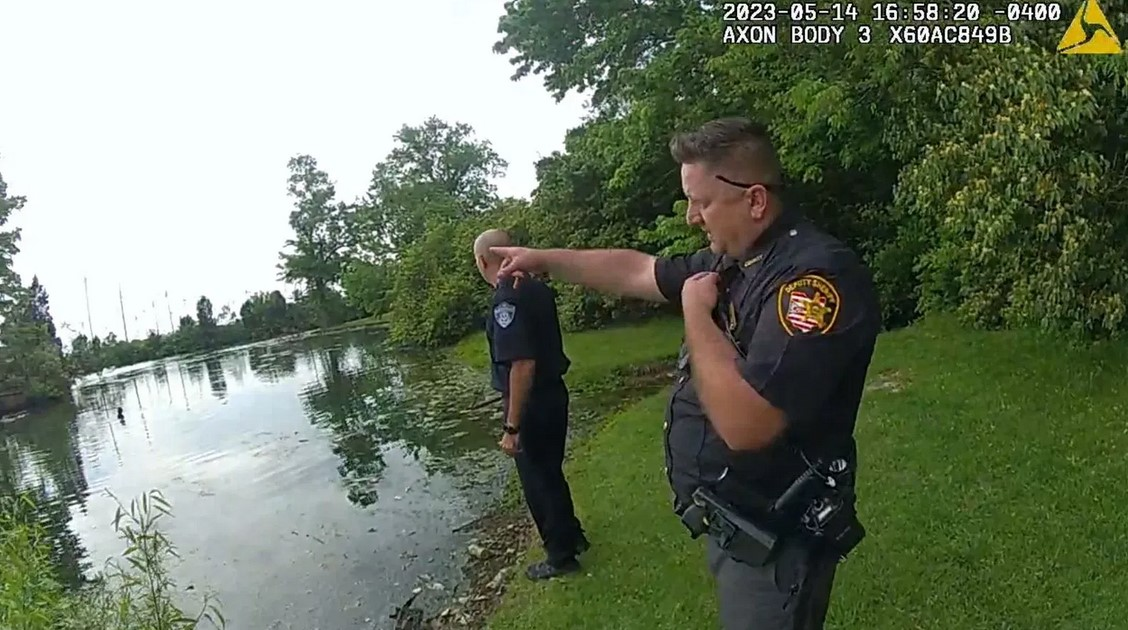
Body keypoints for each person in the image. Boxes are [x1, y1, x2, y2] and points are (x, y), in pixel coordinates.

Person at [490, 118, 881, 629]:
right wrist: (543, 259)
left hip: (778, 536)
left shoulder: (811, 281)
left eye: (702, 202)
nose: (693, 217)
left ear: (755, 200)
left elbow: (747, 424)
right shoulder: (740, 259)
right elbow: (636, 270)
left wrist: (697, 313)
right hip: (737, 520)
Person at [473, 228, 590, 580]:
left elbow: (522, 363)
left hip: (532, 403)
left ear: (482, 261)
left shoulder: (505, 299)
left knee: (538, 481)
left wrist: (512, 427)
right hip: (554, 393)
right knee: (551, 472)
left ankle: (560, 557)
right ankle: (573, 536)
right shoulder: (536, 287)